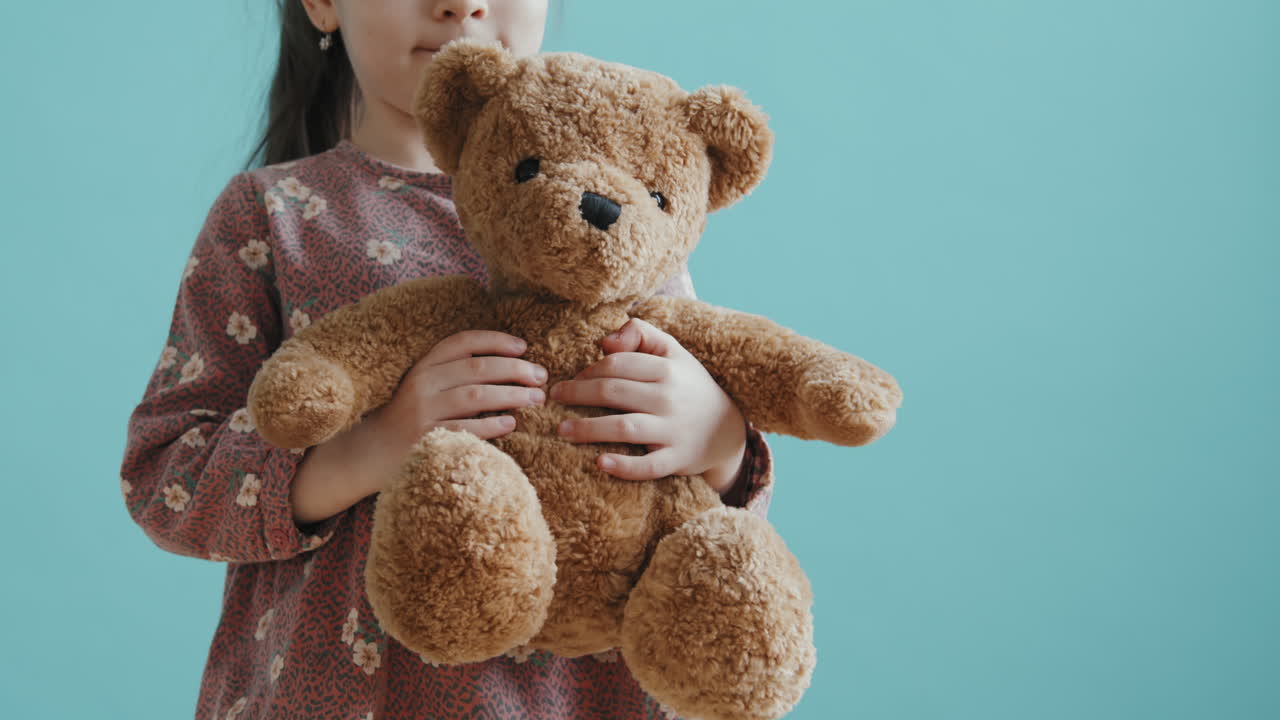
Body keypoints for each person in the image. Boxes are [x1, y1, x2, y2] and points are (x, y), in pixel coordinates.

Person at [120, 1, 775, 718]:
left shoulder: (636, 224)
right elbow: (166, 476)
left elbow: (705, 498)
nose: (462, 3)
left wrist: (722, 442)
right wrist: (370, 449)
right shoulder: (276, 215)